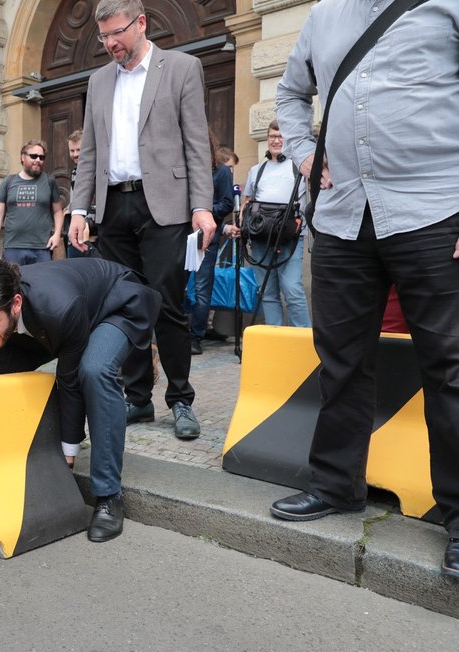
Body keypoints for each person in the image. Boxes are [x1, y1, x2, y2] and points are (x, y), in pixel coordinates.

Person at [270, 0, 459, 579]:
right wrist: (304, 154)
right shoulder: (324, 15)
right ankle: (335, 484)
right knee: (342, 359)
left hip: (435, 208)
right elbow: (288, 96)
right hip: (344, 213)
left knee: (449, 367)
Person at [68, 0, 216, 440]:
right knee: (124, 305)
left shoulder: (182, 68)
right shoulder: (97, 81)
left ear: (142, 23)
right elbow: (90, 151)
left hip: (165, 207)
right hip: (113, 207)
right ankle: (138, 399)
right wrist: (79, 210)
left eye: (117, 33)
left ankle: (181, 400)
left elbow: (197, 144)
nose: (111, 43)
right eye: (104, 36)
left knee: (166, 305)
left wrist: (201, 205)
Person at [0, 257, 161, 542]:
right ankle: (11, 463)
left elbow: (68, 382)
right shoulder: (3, 308)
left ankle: (109, 496)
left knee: (94, 370)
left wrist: (67, 454)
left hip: (115, 304)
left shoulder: (59, 307)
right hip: (58, 322)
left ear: (16, 304)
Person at [240, 120, 310, 328]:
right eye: (272, 136)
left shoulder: (299, 166)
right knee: (267, 291)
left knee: (292, 289)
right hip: (261, 236)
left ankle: (305, 340)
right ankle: (275, 340)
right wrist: (242, 225)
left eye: (281, 136)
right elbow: (248, 202)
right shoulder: (256, 170)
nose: (276, 140)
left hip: (290, 236)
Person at [189, 129, 238, 355]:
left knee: (201, 287)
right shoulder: (188, 167)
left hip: (206, 236)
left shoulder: (221, 172)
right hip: (179, 235)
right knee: (174, 285)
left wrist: (204, 212)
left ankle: (195, 337)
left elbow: (227, 203)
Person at [0, 140, 64, 265]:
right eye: (33, 156)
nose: (38, 160)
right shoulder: (8, 181)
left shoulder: (49, 181)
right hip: (13, 247)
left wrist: (57, 234)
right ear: (22, 157)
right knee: (15, 284)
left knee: (42, 283)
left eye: (41, 157)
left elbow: (57, 211)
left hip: (42, 247)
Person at [64, 129, 96, 259]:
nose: (75, 154)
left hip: (93, 235)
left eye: (79, 150)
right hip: (75, 233)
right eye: (72, 151)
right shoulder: (75, 172)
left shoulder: (97, 170)